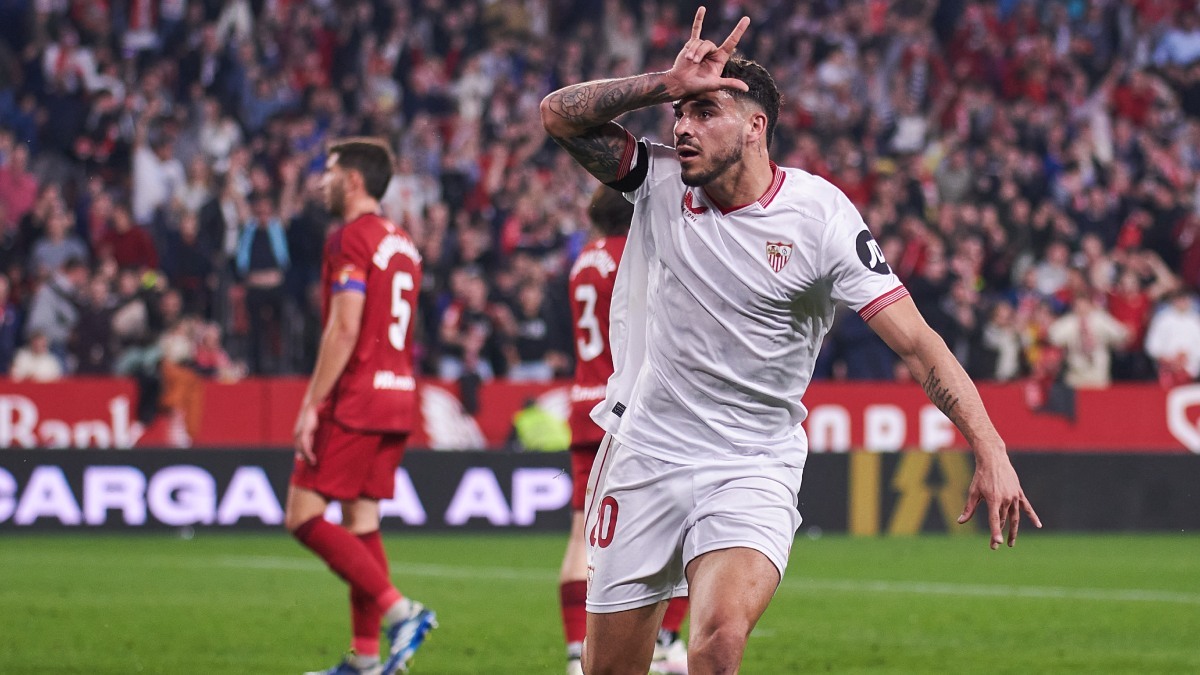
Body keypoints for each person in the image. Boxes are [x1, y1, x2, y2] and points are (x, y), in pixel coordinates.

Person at [540, 9, 1040, 674]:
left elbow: (919, 344)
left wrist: (990, 445)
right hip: (647, 454)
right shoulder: (657, 181)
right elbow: (558, 116)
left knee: (716, 643)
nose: (683, 126)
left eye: (705, 111)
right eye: (679, 114)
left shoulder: (820, 219)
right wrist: (666, 81)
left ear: (756, 126)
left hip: (752, 462)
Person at [285, 138, 436, 675]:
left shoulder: (349, 238)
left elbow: (345, 325)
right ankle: (368, 661)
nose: (319, 182)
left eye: (328, 172)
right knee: (361, 520)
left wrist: (311, 404)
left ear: (353, 180)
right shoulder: (402, 243)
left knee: (301, 516)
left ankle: (402, 611)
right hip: (398, 394)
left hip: (357, 398)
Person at [562, 185, 690, 675]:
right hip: (630, 405)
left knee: (582, 537)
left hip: (582, 403)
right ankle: (664, 641)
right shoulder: (635, 254)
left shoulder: (582, 261)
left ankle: (578, 651)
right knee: (674, 527)